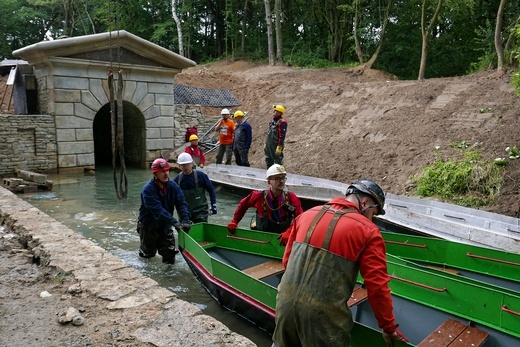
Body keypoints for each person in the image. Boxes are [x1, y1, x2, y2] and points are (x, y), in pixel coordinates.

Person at [272, 179, 409, 347]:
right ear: (364, 202)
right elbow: (377, 286)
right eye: (373, 213)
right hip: (323, 319)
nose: (372, 219)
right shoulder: (368, 231)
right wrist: (388, 326)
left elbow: (287, 262)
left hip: (284, 307)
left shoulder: (306, 215)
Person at [227, 164, 302, 243]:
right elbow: (243, 205)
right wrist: (234, 221)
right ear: (269, 181)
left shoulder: (292, 198)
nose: (281, 181)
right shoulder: (258, 196)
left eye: (283, 178)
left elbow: (300, 218)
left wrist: (290, 232)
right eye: (277, 178)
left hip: (282, 240)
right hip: (260, 239)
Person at [137, 158, 191, 264]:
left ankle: (169, 277)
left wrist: (185, 220)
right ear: (155, 174)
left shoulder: (173, 187)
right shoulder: (148, 190)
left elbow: (181, 204)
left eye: (167, 170)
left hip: (165, 225)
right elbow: (157, 210)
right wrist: (175, 222)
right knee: (148, 255)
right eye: (162, 171)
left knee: (170, 254)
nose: (166, 174)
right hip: (148, 227)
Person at [173, 153, 217, 223]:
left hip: (201, 212)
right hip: (185, 213)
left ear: (192, 164)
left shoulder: (201, 176)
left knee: (201, 232)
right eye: (183, 165)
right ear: (179, 166)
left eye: (188, 164)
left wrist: (213, 205)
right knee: (185, 231)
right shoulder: (176, 180)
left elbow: (211, 190)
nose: (186, 167)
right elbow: (172, 198)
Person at [264, 104, 287, 169]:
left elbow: (282, 135)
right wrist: (266, 144)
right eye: (274, 111)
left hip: (276, 145)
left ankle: (280, 175)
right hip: (269, 145)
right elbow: (268, 134)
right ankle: (269, 174)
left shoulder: (282, 122)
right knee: (268, 159)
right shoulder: (272, 122)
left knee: (278, 161)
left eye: (275, 111)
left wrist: (280, 146)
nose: (273, 113)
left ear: (280, 113)